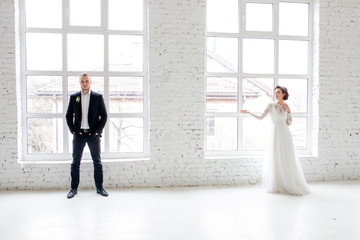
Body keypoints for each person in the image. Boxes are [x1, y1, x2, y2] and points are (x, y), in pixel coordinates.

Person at [240, 86, 310, 196]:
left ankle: (288, 181)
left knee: (286, 157)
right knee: (276, 157)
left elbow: (289, 123)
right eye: (275, 92)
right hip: (275, 134)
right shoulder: (271, 106)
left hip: (286, 134)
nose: (276, 94)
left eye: (278, 92)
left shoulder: (286, 106)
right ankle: (278, 183)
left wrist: (289, 111)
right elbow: (260, 117)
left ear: (283, 94)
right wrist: (248, 112)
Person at [65, 73, 108, 198]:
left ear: (90, 82)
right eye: (82, 81)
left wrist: (97, 131)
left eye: (86, 81)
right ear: (80, 83)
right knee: (75, 162)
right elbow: (68, 115)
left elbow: (104, 116)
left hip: (93, 135)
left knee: (97, 162)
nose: (84, 83)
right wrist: (73, 131)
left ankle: (100, 188)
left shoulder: (98, 97)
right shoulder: (74, 97)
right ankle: (73, 189)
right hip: (78, 135)